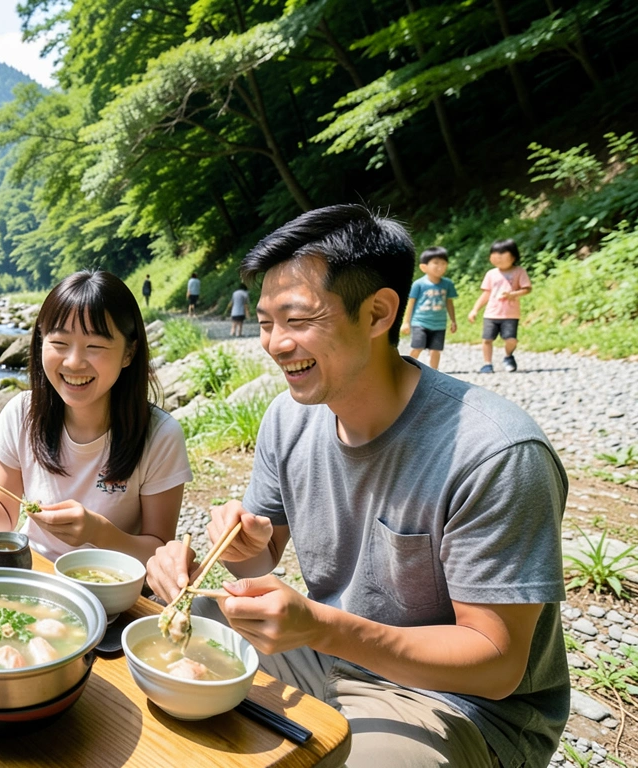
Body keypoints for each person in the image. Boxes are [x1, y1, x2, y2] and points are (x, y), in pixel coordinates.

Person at [147, 205, 567, 768]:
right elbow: (261, 558)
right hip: (327, 653)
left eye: (296, 320)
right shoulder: (288, 417)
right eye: (267, 322)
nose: (273, 344)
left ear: (378, 313)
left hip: (453, 703)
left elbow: (496, 663)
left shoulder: (494, 451)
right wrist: (241, 549)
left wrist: (319, 626)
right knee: (159, 616)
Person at [0, 270, 192, 564]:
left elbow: (160, 554)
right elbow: (3, 521)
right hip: (36, 574)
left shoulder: (160, 435)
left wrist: (99, 533)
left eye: (95, 346)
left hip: (112, 587)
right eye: (59, 343)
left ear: (129, 352)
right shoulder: (22, 413)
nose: (73, 362)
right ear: (41, 342)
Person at [467, 238, 531, 373]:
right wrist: (475, 309)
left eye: (502, 254)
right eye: (494, 254)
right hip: (491, 313)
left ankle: (508, 356)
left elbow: (527, 289)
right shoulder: (491, 274)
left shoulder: (519, 271)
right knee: (487, 339)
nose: (498, 258)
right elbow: (486, 294)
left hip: (510, 314)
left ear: (513, 256)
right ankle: (487, 364)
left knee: (511, 339)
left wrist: (513, 294)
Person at [400, 246, 458, 370]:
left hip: (439, 324)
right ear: (424, 267)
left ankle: (434, 372)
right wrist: (406, 322)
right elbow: (410, 303)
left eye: (443, 263)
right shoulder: (419, 284)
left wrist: (453, 320)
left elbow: (449, 302)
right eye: (436, 263)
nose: (440, 266)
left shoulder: (447, 284)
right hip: (420, 322)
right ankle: (407, 369)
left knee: (435, 350)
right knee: (417, 347)